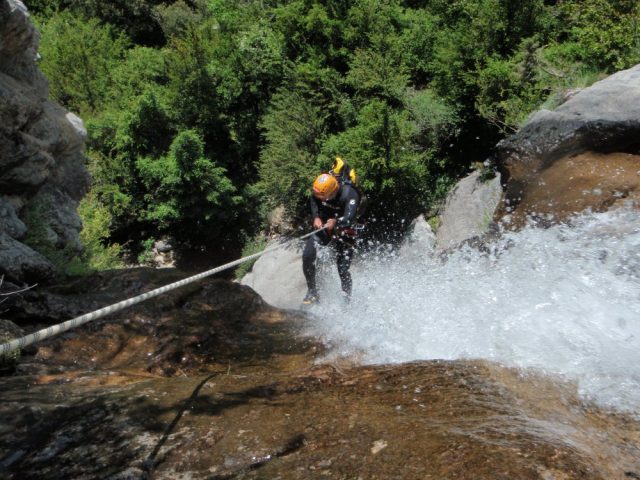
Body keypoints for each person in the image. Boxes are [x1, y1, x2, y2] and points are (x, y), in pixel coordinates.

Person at [302, 158, 362, 305]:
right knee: (307, 256)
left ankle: (347, 300)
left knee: (342, 268)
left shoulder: (350, 194)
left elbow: (350, 217)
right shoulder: (321, 191)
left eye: (322, 196)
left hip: (346, 229)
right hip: (325, 226)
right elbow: (314, 200)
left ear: (332, 191)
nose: (319, 198)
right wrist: (316, 217)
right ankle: (312, 292)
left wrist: (336, 222)